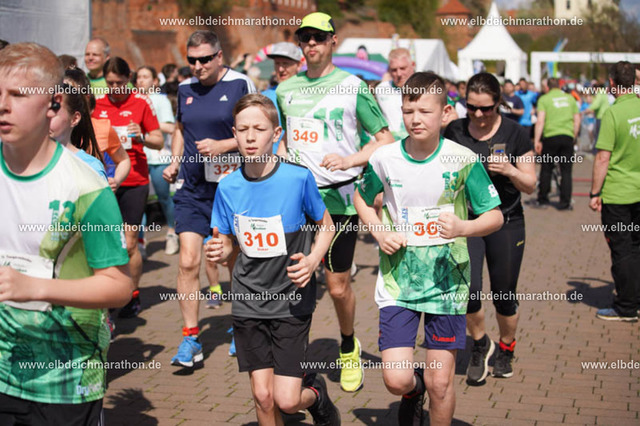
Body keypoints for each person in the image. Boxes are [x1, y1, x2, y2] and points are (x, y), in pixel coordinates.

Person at [354, 72, 504, 425]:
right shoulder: (385, 158)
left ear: (445, 112)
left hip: (447, 284)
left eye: (425, 111)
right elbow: (361, 198)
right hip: (398, 284)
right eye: (408, 111)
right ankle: (413, 389)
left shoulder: (462, 158)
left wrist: (464, 227)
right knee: (396, 379)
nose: (415, 119)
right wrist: (379, 231)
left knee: (441, 383)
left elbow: (495, 216)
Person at [0, 42, 132, 424]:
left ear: (53, 103)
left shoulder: (85, 185)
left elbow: (118, 286)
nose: (3, 105)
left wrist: (34, 287)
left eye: (18, 95)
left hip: (63, 377)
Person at [276, 11, 394, 392]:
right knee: (295, 278)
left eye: (318, 37)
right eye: (304, 37)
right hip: (298, 199)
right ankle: (293, 356)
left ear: (333, 42)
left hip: (340, 199)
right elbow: (285, 138)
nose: (311, 43)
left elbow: (385, 140)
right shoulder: (285, 90)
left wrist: (350, 160)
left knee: (338, 285)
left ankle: (347, 346)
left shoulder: (353, 86)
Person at [205, 93, 340, 426]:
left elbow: (327, 226)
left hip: (291, 299)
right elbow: (225, 242)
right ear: (234, 134)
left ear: (276, 133)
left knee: (287, 400)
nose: (250, 137)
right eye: (243, 130)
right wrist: (220, 250)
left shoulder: (297, 178)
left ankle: (316, 394)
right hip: (248, 298)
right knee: (263, 397)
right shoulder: (227, 187)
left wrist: (313, 260)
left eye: (259, 129)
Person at [162, 29, 256, 366]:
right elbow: (180, 129)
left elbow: (257, 130)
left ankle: (242, 326)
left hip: (231, 189)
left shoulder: (240, 84)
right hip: (193, 191)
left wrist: (224, 145)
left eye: (204, 59)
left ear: (219, 56)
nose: (198, 66)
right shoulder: (185, 88)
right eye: (192, 60)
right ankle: (191, 338)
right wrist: (174, 162)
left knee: (234, 261)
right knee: (188, 261)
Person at [444, 72, 537, 385]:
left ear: (499, 103)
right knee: (469, 292)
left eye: (486, 108)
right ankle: (480, 344)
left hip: (507, 221)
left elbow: (531, 184)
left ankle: (507, 347)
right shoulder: (455, 130)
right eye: (471, 107)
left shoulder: (515, 133)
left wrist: (511, 170)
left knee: (504, 295)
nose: (479, 114)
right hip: (468, 222)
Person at [93, 57, 163, 318]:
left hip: (134, 180)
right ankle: (108, 291)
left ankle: (132, 294)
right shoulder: (97, 104)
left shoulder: (141, 102)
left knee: (130, 243)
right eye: (110, 83)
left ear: (128, 79)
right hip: (105, 183)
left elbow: (158, 140)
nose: (115, 88)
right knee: (105, 241)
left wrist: (141, 137)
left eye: (119, 83)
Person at [589, 61, 640, 322]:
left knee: (622, 250)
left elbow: (602, 158)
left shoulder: (612, 113)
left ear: (611, 83)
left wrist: (594, 193)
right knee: (636, 247)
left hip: (618, 194)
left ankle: (626, 307)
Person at [136, 65, 179, 255]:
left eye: (145, 76)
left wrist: (147, 124)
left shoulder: (161, 100)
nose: (141, 80)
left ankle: (172, 232)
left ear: (155, 81)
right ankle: (140, 241)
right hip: (138, 156)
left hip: (159, 156)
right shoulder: (132, 99)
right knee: (139, 201)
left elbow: (171, 128)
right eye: (138, 77)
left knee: (164, 198)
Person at [533, 77, 580, 210]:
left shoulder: (544, 99)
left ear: (547, 87)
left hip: (551, 136)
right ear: (559, 86)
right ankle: (565, 202)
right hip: (567, 135)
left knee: (546, 168)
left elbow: (540, 121)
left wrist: (537, 140)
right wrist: (574, 136)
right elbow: (577, 120)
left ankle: (543, 198)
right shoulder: (570, 99)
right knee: (566, 171)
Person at [50, 69, 107, 180]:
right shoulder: (26, 161)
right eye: (43, 111)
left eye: (54, 112)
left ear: (75, 119)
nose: (46, 118)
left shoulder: (90, 168)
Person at [261, 42, 302, 154]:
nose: (280, 69)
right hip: (271, 161)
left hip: (302, 160)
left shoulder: (309, 94)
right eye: (277, 63)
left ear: (298, 65)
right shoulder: (263, 97)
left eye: (285, 64)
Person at [375, 48, 414, 141]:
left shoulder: (426, 87)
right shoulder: (381, 90)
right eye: (394, 70)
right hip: (392, 144)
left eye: (403, 68)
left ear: (412, 65)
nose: (399, 73)